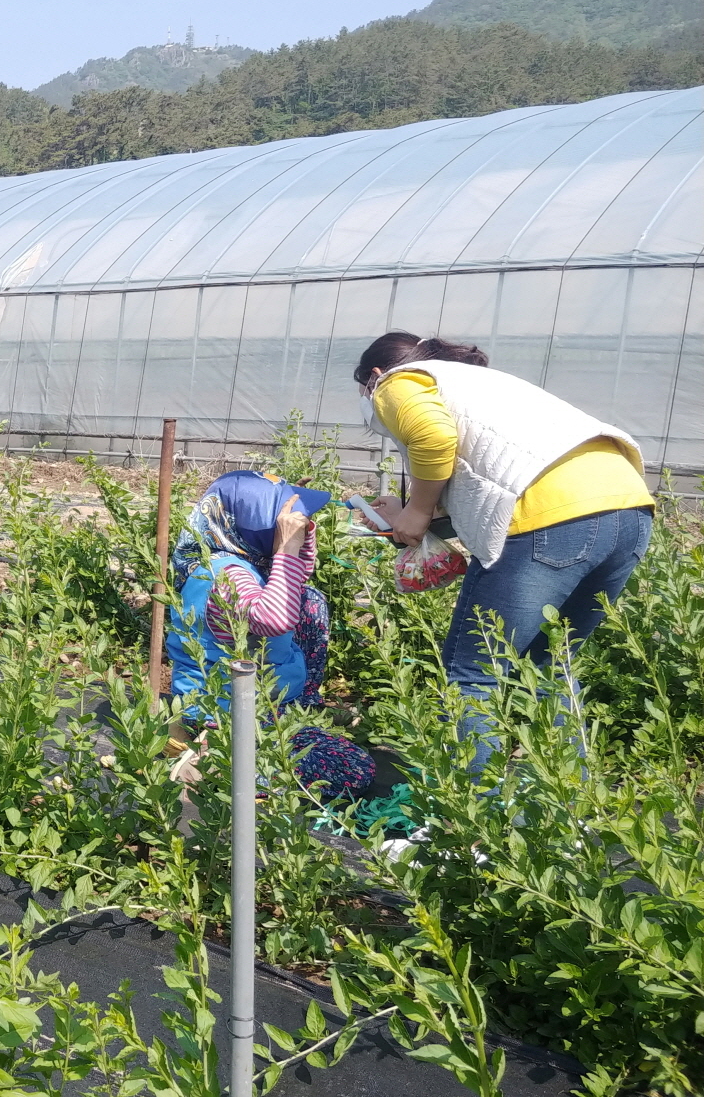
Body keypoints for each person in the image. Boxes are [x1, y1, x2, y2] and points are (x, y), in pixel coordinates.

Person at [355, 331, 654, 766]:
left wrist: (417, 514)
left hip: (550, 518)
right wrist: (410, 510)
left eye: (364, 388)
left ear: (375, 375)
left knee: (476, 676)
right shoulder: (479, 383)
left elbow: (434, 438)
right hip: (629, 508)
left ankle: (471, 827)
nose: (368, 399)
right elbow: (494, 473)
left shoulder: (399, 381)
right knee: (549, 669)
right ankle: (571, 819)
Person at [166, 470, 376, 800]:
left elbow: (296, 576)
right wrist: (286, 545)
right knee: (353, 768)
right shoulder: (228, 576)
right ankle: (217, 764)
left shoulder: (239, 555)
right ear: (259, 529)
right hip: (224, 712)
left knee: (309, 601)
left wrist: (297, 536)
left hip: (260, 698)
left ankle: (295, 711)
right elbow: (275, 619)